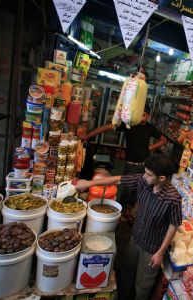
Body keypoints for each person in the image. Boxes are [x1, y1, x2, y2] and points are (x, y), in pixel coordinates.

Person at [75, 153, 182, 300]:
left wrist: (160, 252)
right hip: (135, 238)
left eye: (149, 175)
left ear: (161, 178)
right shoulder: (143, 181)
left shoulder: (173, 198)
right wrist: (88, 183)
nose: (144, 176)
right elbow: (117, 179)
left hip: (152, 248)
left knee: (143, 284)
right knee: (126, 272)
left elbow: (174, 225)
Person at [82, 104, 167, 222]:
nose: (141, 117)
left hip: (144, 165)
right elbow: (107, 127)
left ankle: (128, 211)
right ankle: (118, 213)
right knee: (127, 189)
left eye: (144, 115)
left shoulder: (150, 128)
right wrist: (87, 136)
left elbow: (164, 140)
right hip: (131, 164)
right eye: (139, 114)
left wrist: (151, 148)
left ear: (147, 116)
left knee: (138, 190)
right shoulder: (129, 125)